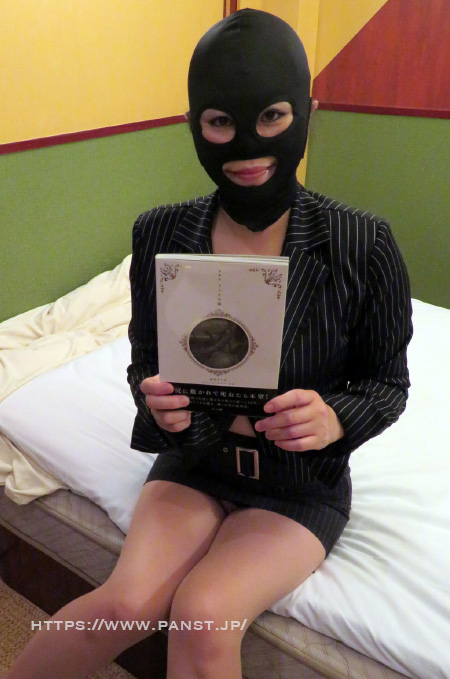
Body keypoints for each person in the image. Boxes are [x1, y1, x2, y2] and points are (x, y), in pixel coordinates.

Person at [5, 9, 412, 679]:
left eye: (273, 117)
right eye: (221, 123)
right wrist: (156, 401)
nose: (247, 147)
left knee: (203, 613)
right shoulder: (161, 233)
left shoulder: (362, 244)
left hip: (298, 484)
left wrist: (335, 417)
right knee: (125, 603)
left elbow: (387, 383)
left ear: (307, 112)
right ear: (193, 124)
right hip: (196, 460)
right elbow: (146, 358)